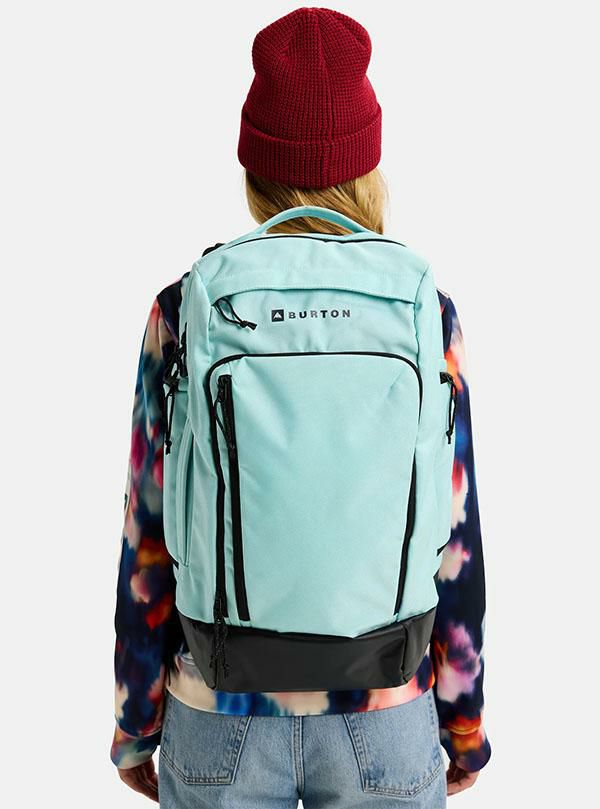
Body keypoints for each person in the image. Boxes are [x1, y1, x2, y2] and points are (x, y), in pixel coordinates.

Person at [110, 7, 491, 807]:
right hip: (387, 708)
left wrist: (136, 723)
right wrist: (463, 725)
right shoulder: (426, 311)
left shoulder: (186, 308)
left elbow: (149, 534)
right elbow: (455, 539)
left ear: (254, 166)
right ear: (368, 161)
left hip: (217, 706)